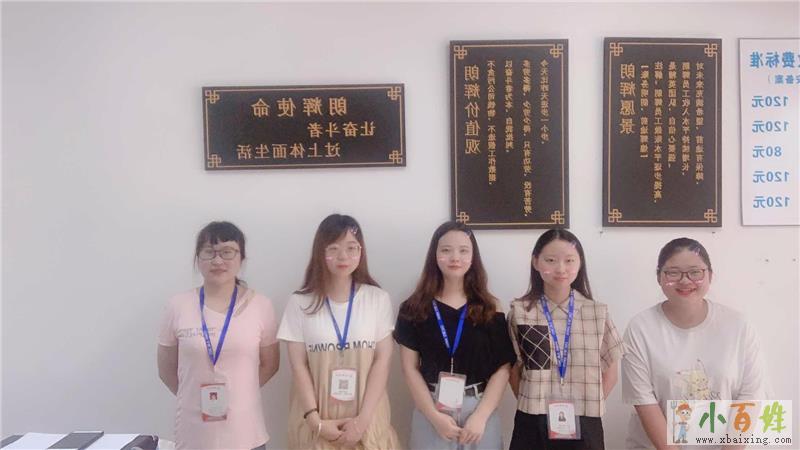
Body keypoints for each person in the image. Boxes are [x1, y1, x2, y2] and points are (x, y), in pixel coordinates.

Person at [621, 238, 768, 449]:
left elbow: (750, 396)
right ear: (659, 277)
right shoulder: (640, 328)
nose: (685, 280)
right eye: (673, 273)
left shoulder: (738, 326)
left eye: (695, 272)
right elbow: (644, 401)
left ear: (710, 275)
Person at [277, 214, 400, 449]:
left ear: (361, 251)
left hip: (367, 422)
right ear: (320, 252)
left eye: (351, 248)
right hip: (316, 423)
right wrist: (316, 422)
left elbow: (382, 361)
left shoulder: (377, 299)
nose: (343, 256)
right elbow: (298, 366)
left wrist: (362, 422)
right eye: (333, 248)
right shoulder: (300, 302)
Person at [157, 221, 280, 450]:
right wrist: (194, 396)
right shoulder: (177, 306)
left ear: (241, 258)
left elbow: (270, 365)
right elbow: (166, 369)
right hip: (193, 434)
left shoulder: (260, 305)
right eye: (209, 252)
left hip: (246, 433)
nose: (218, 260)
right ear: (197, 258)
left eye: (227, 252)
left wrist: (240, 393)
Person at [394, 221, 516, 450]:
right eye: (446, 250)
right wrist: (434, 416)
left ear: (473, 257)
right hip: (431, 409)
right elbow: (409, 369)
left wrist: (480, 417)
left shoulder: (490, 307)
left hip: (479, 411)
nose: (455, 257)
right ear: (434, 255)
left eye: (463, 250)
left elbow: (503, 368)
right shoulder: (414, 308)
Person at [508, 228, 623, 450]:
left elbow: (611, 372)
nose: (561, 269)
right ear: (535, 262)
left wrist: (586, 404)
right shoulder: (520, 312)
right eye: (550, 260)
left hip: (585, 420)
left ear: (580, 264)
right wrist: (532, 401)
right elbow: (513, 371)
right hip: (532, 419)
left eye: (569, 261)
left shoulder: (597, 312)